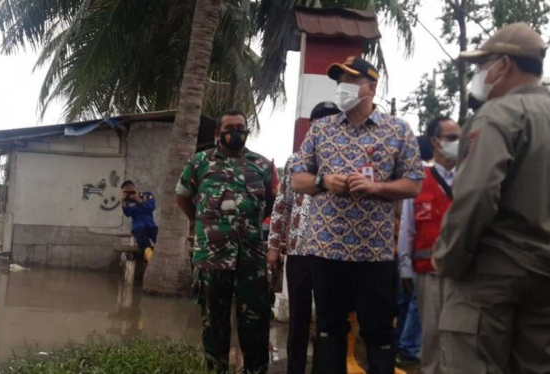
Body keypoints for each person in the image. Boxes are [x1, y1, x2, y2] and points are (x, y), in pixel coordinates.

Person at [432, 22, 550, 373]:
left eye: (482, 64)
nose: (479, 74)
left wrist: (450, 258)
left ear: (504, 65)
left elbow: (477, 192)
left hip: (492, 277)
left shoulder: (497, 114)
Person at [291, 56, 424, 374]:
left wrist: (376, 188)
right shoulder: (321, 130)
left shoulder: (398, 130)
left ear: (372, 87)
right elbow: (297, 178)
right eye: (340, 82)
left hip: (372, 253)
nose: (343, 88)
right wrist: (324, 181)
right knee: (328, 329)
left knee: (378, 334)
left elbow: (414, 184)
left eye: (351, 81)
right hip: (325, 250)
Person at [175, 109, 275, 374]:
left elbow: (270, 205)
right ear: (218, 133)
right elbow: (183, 196)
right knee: (214, 323)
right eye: (229, 128)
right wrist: (203, 224)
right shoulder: (199, 162)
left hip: (251, 258)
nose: (235, 132)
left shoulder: (262, 165)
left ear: (246, 131)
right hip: (212, 257)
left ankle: (254, 370)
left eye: (241, 127)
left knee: (255, 322)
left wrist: (247, 227)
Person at [268, 101, 340, 374]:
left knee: (327, 317)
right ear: (310, 127)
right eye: (318, 122)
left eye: (330, 121)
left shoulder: (343, 164)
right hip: (298, 253)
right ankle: (295, 369)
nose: (323, 126)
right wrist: (273, 246)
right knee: (297, 317)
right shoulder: (295, 162)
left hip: (331, 253)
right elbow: (281, 206)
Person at [398, 117, 460, 374]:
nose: (458, 143)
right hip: (428, 271)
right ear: (435, 141)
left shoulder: (470, 178)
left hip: (463, 273)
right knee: (431, 336)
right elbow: (407, 227)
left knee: (459, 337)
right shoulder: (419, 179)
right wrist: (405, 266)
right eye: (451, 138)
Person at [121, 180, 158, 262]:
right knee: (144, 244)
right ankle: (150, 259)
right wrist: (123, 202)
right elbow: (128, 213)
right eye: (127, 191)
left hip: (150, 224)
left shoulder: (147, 195)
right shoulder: (127, 201)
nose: (130, 193)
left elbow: (151, 207)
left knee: (159, 239)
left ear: (134, 188)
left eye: (131, 190)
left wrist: (138, 199)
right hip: (138, 226)